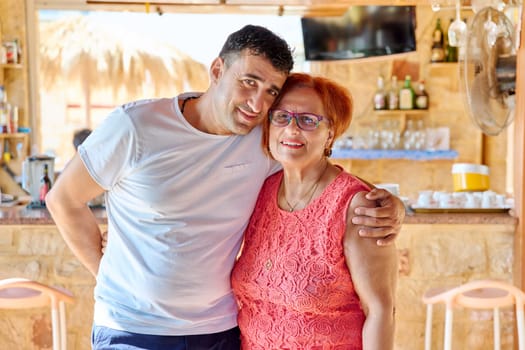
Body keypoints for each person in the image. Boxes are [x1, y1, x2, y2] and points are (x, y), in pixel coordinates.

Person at [46, 25, 404, 349]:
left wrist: (390, 205)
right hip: (134, 328)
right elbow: (64, 199)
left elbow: (326, 179)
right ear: (217, 70)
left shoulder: (260, 140)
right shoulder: (136, 126)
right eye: (249, 82)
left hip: (219, 330)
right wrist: (109, 277)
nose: (257, 103)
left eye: (270, 92)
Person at [231, 73, 398, 349]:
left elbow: (380, 312)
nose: (292, 130)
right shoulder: (260, 191)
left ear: (330, 132)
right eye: (282, 117)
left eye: (308, 120)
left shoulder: (356, 208)